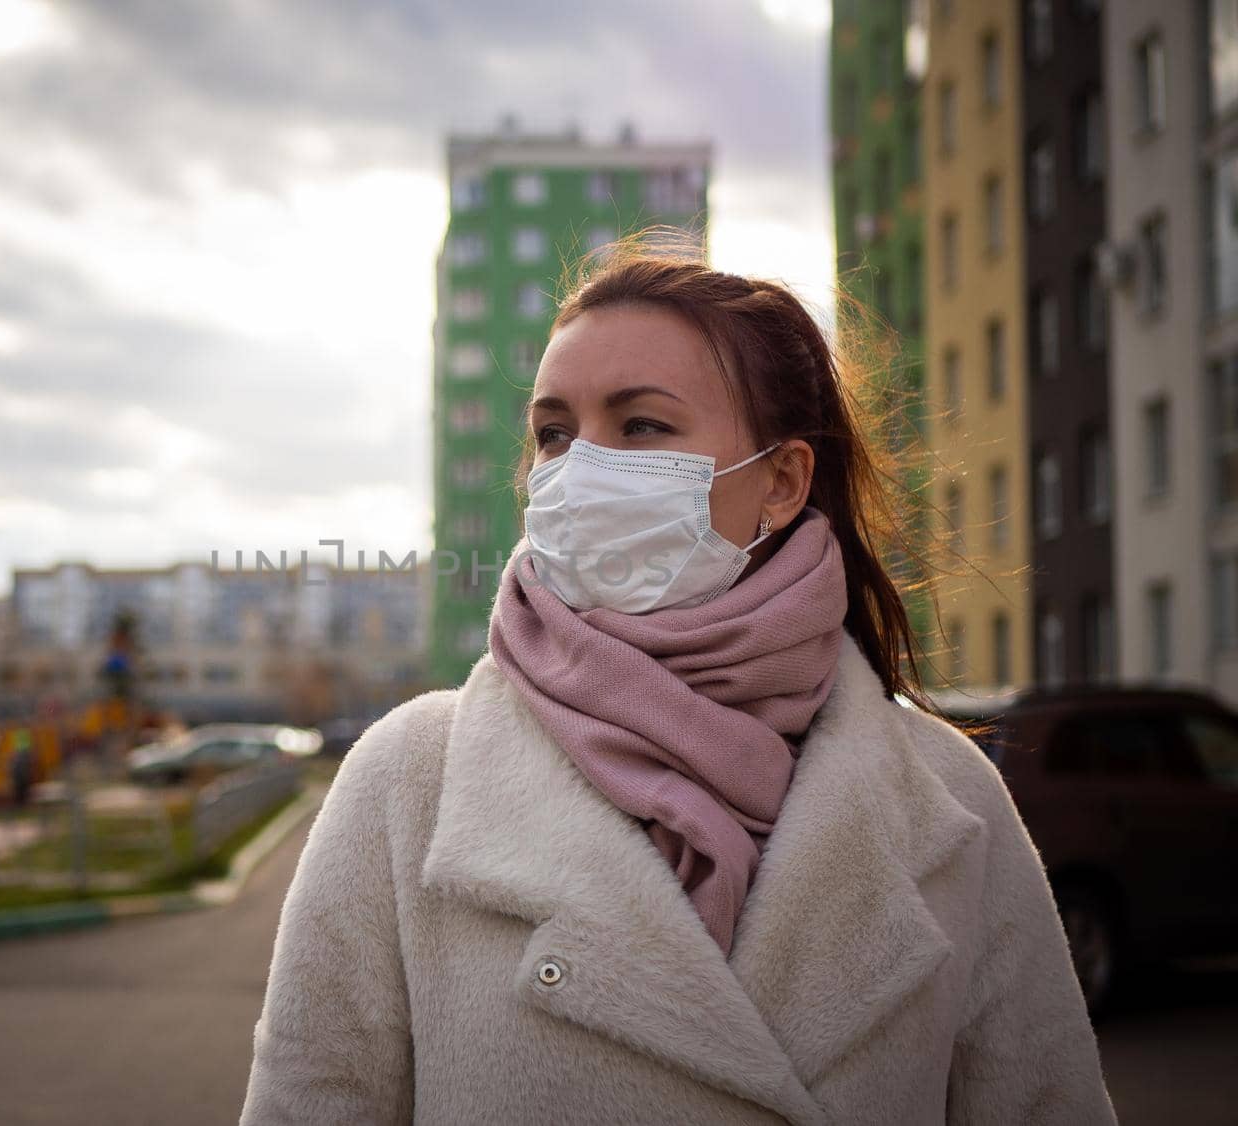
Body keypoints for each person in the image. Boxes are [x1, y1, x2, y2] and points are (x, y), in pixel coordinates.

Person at [240, 237, 1115, 1125]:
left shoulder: (948, 802)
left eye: (642, 425)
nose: (579, 469)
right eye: (554, 433)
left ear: (780, 480)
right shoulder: (406, 782)